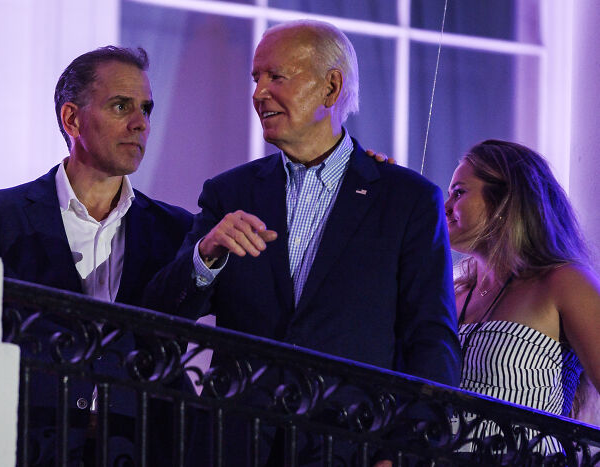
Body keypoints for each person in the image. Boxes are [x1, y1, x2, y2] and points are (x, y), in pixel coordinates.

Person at [144, 19, 461, 465]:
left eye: (276, 76)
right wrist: (205, 255)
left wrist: (409, 450)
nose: (258, 93)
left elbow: (431, 339)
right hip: (234, 445)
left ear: (331, 88)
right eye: (256, 78)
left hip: (350, 449)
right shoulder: (229, 193)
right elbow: (159, 314)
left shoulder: (407, 200)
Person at [0, 46, 193, 465]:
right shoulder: (0, 216)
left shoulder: (175, 229)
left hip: (137, 446)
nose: (140, 123)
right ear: (72, 119)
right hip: (26, 443)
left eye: (146, 108)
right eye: (121, 106)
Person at [445, 139, 600, 453]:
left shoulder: (563, 282)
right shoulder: (452, 294)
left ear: (506, 200)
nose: (445, 206)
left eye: (459, 192)